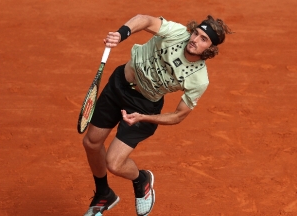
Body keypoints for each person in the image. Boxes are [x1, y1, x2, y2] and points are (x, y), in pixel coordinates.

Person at [82, 14, 232, 216]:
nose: (194, 40)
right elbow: (145, 20)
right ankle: (103, 194)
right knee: (91, 142)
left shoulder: (199, 79)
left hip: (144, 106)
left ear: (210, 49)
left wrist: (143, 117)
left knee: (114, 163)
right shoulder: (177, 33)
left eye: (203, 39)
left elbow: (178, 115)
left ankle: (141, 180)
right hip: (119, 84)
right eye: (196, 33)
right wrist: (121, 33)